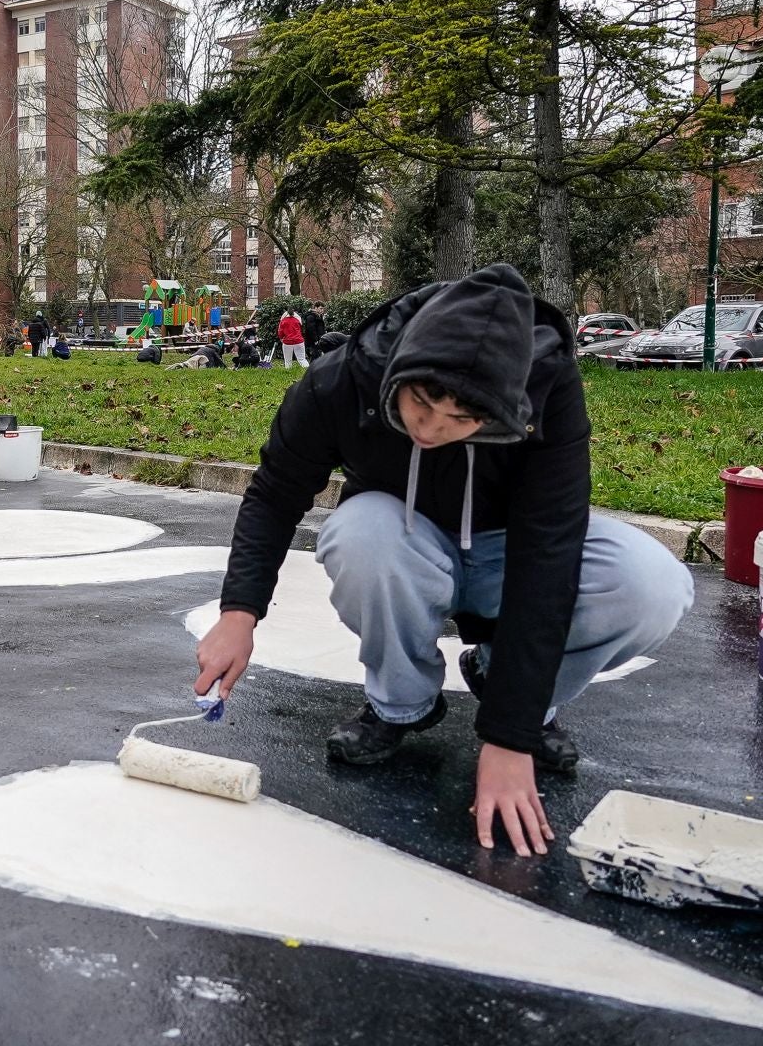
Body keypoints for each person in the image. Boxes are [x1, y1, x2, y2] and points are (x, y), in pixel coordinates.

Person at [195, 264, 689, 858]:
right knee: (360, 534)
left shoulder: (547, 391)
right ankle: (401, 706)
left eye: (464, 420)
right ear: (399, 370)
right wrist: (239, 613)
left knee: (652, 584)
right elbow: (275, 494)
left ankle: (518, 689)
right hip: (405, 539)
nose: (430, 428)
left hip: (510, 548)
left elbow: (549, 551)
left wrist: (510, 739)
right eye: (420, 402)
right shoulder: (342, 379)